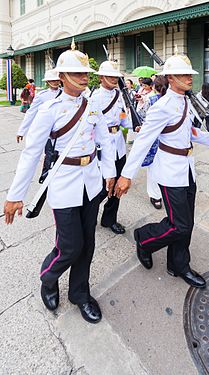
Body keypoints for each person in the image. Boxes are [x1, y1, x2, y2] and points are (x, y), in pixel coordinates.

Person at [4, 44, 116, 324]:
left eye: (85, 73)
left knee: (87, 244)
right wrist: (15, 195)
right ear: (63, 76)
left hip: (91, 182)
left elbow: (105, 139)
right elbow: (31, 153)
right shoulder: (49, 109)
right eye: (76, 73)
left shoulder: (92, 106)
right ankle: (48, 277)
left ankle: (80, 294)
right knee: (69, 246)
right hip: (64, 182)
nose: (83, 77)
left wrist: (110, 172)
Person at [114, 52, 209, 289]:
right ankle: (145, 238)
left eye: (189, 74)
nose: (189, 78)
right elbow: (143, 140)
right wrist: (127, 175)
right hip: (170, 172)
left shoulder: (187, 102)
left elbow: (190, 132)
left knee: (185, 222)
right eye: (183, 74)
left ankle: (178, 264)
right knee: (180, 224)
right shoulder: (162, 107)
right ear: (170, 78)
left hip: (187, 169)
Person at [93, 60, 131, 234]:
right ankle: (89, 213)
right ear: (101, 77)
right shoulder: (94, 98)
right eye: (110, 76)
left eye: (116, 76)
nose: (114, 79)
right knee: (101, 187)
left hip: (119, 146)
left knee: (118, 187)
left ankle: (109, 219)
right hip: (102, 145)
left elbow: (123, 118)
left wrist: (135, 125)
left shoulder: (120, 95)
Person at [140, 75, 168, 210]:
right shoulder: (169, 100)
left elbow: (141, 116)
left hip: (156, 139)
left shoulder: (151, 100)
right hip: (166, 139)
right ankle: (159, 194)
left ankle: (155, 195)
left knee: (154, 167)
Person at [17, 69, 61, 143]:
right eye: (52, 80)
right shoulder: (41, 96)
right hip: (49, 132)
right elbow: (31, 113)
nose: (55, 82)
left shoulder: (65, 93)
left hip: (65, 130)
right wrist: (21, 131)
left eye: (57, 80)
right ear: (47, 82)